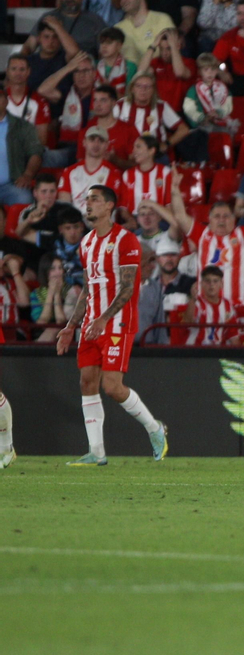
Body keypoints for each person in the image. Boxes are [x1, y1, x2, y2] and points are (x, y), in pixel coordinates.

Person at [53, 185, 168, 465]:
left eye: (94, 199)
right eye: (87, 198)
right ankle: (97, 451)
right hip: (92, 324)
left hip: (116, 323)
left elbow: (128, 288)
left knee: (113, 387)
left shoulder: (126, 241)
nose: (88, 203)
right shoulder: (87, 243)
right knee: (87, 382)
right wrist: (71, 326)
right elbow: (88, 289)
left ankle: (156, 430)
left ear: (109, 207)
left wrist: (103, 318)